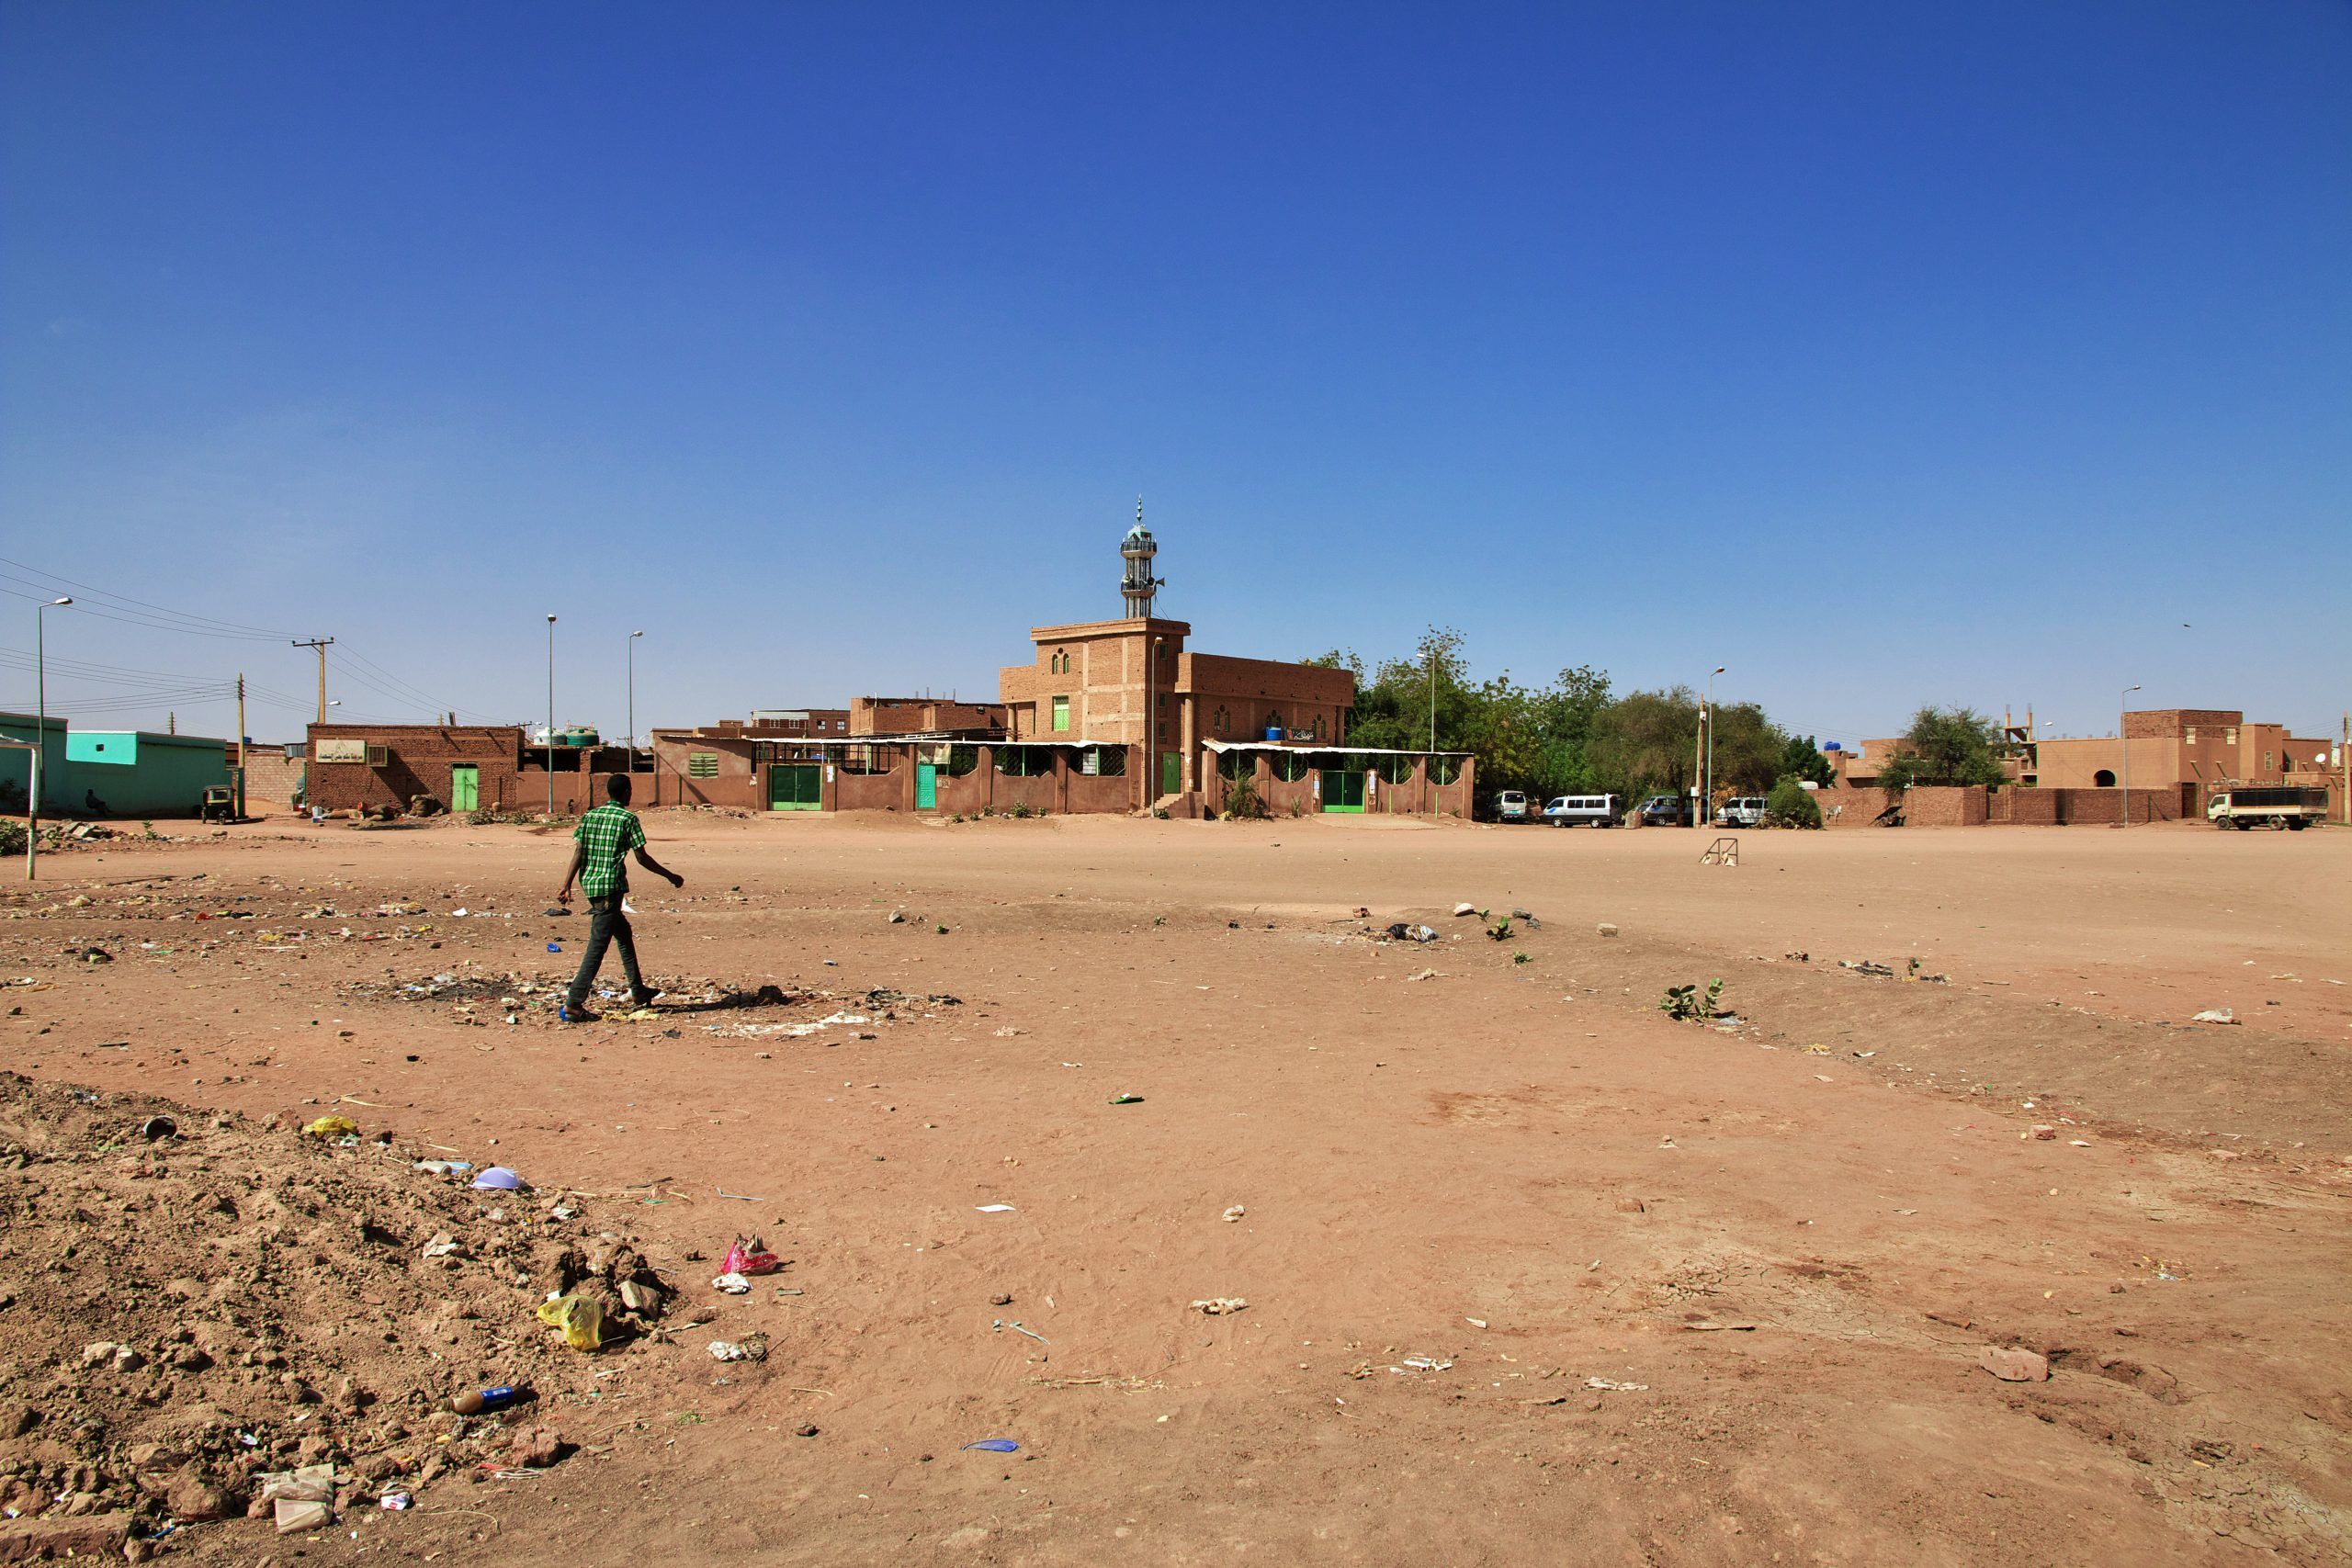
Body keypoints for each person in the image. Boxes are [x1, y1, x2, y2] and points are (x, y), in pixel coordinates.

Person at [556, 774, 682, 1022]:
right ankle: (574, 1003)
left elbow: (579, 851)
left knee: (623, 933)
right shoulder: (627, 819)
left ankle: (638, 990)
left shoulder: (590, 816)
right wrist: (670, 876)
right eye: (630, 791)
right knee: (598, 945)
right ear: (625, 792)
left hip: (591, 886)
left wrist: (567, 884)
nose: (631, 795)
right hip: (610, 888)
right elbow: (642, 857)